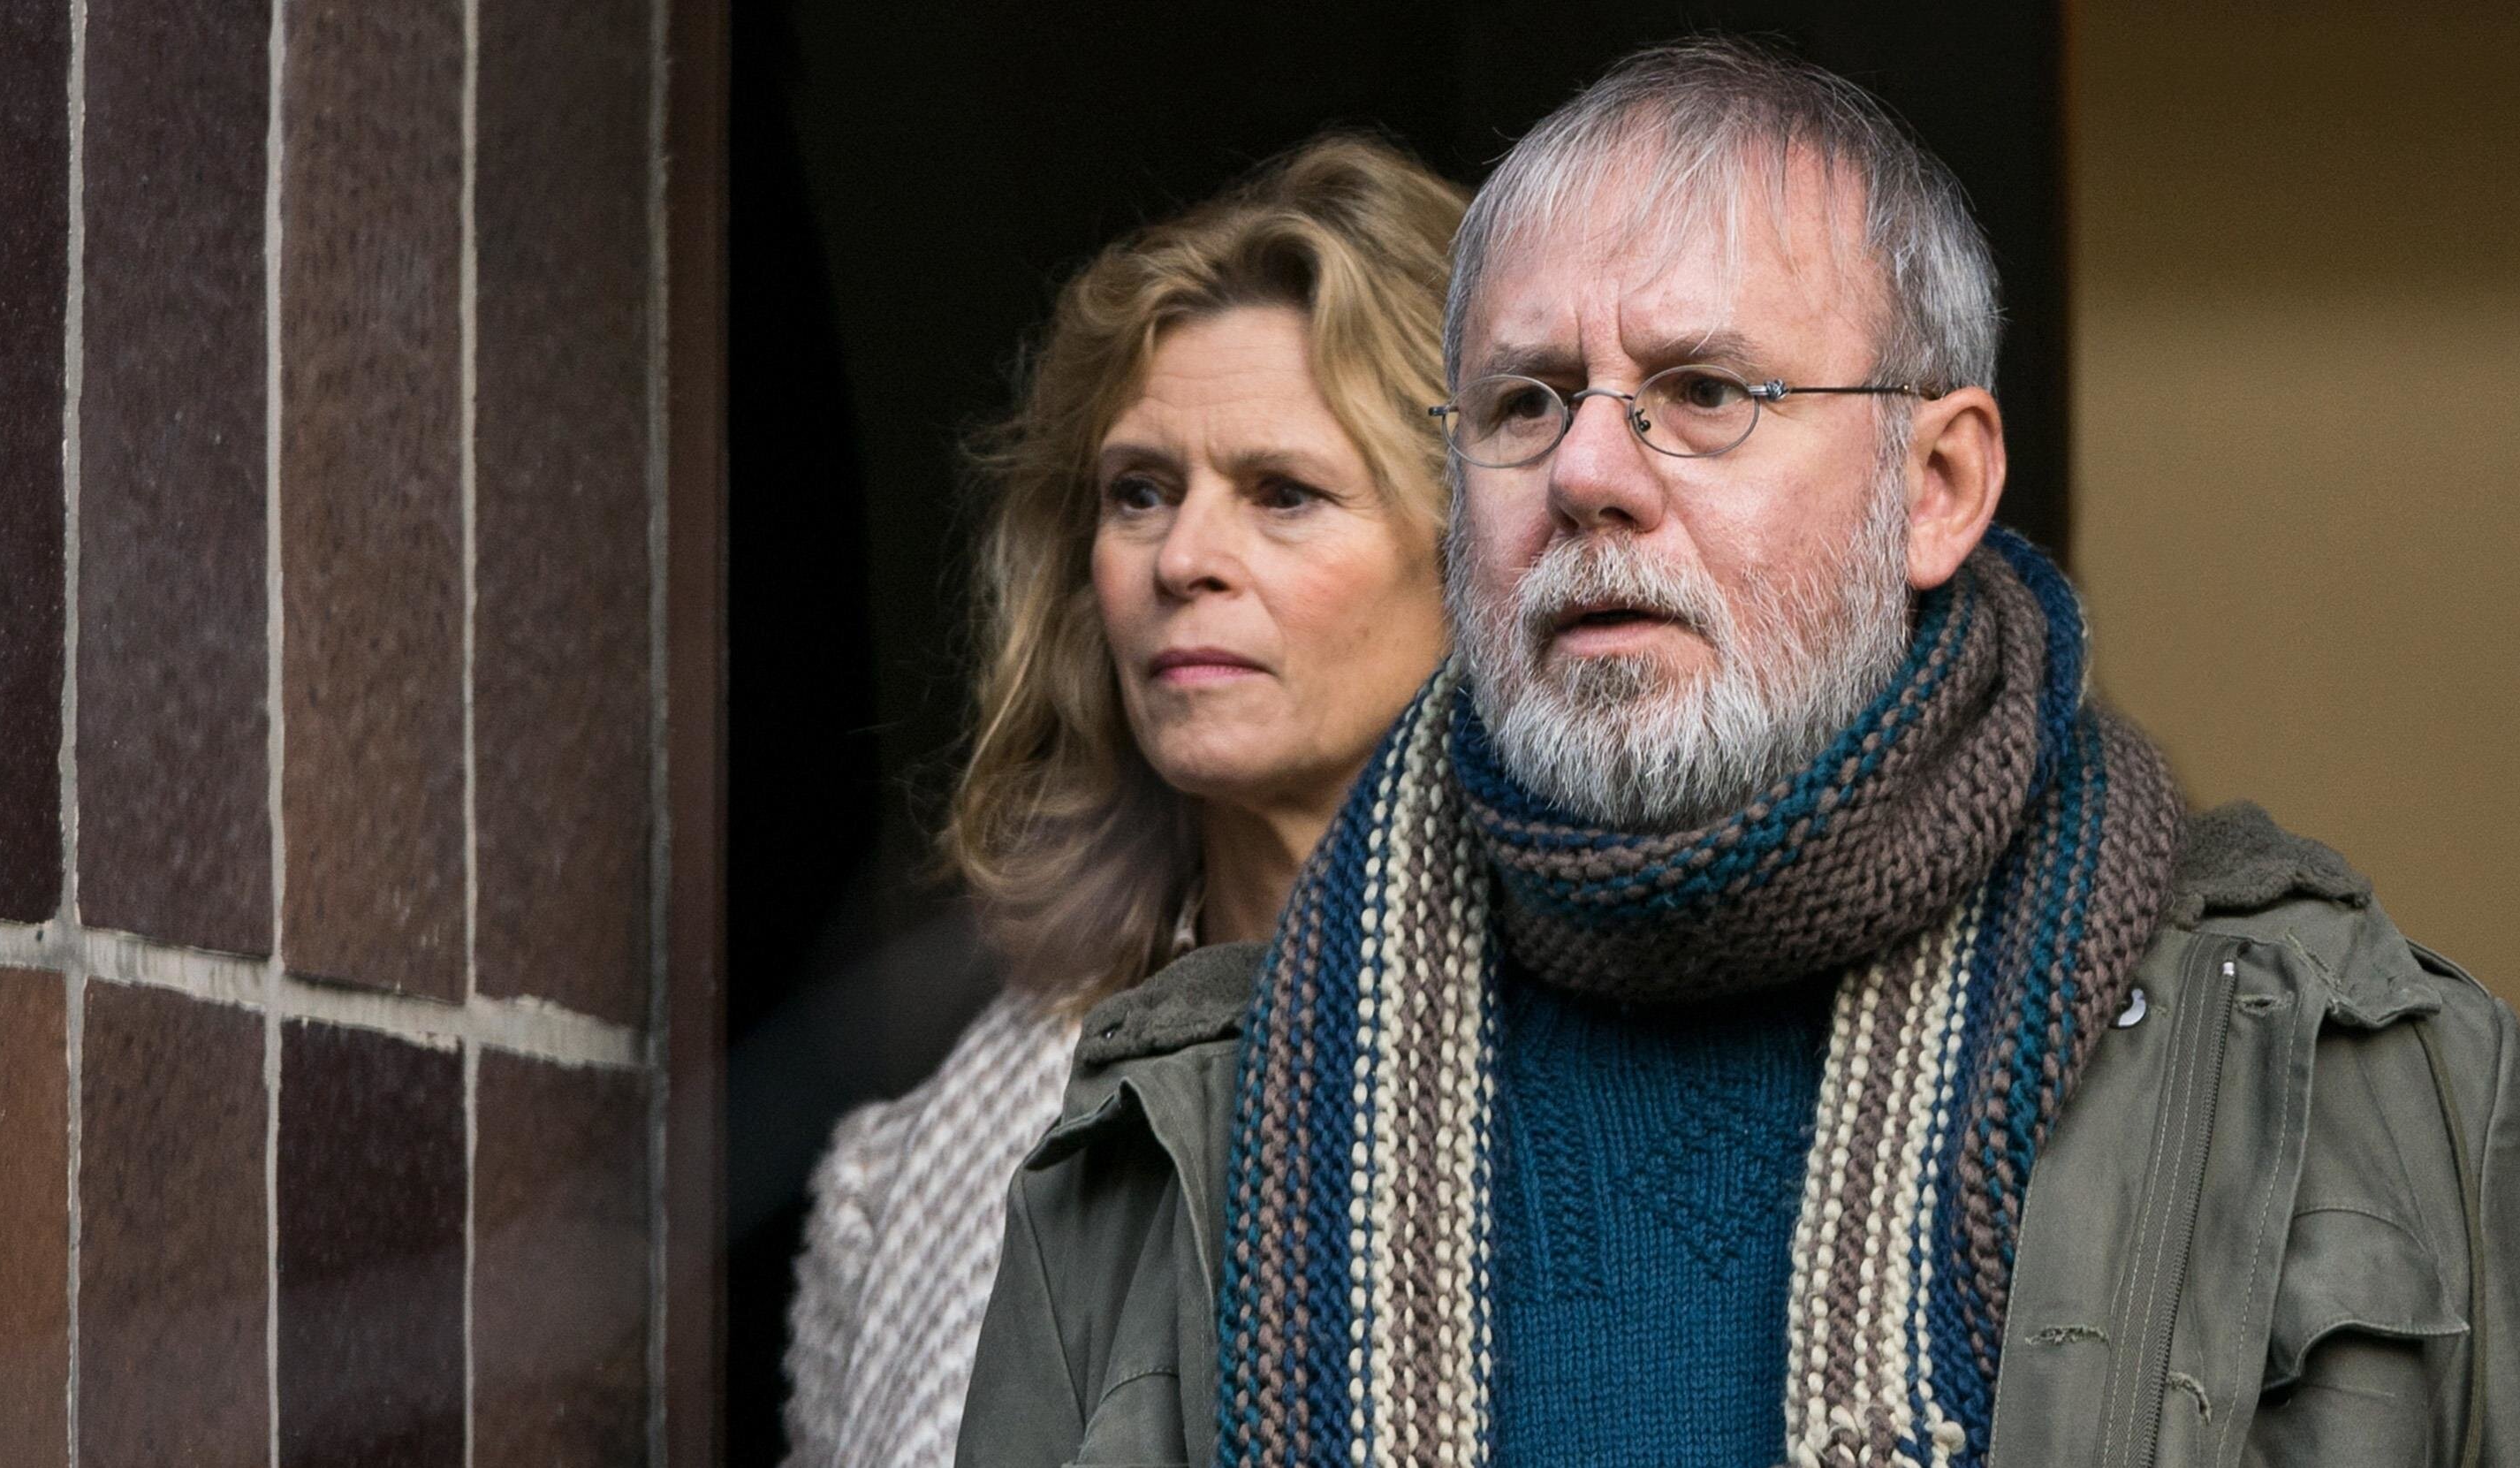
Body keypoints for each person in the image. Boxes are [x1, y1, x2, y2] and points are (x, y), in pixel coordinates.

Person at [958, 38, 2516, 1468]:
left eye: (1702, 392)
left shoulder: (2336, 1068)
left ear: (1936, 485)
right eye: (1522, 401)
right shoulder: (1177, 1132)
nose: (1585, 470)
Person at [781, 136, 1467, 1468]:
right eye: (1139, 492)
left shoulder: (1610, 1072)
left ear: (1481, 556)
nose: (1183, 557)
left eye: (1284, 494)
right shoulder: (935, 1150)